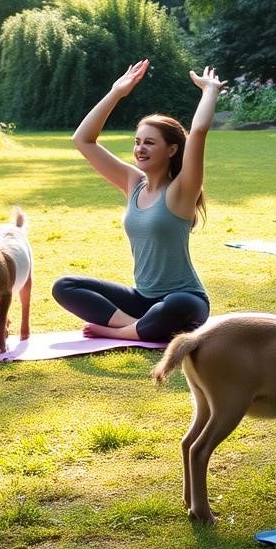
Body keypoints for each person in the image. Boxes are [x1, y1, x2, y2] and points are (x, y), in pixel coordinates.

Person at [51, 60, 220, 341]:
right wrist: (116, 92)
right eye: (137, 141)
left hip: (185, 299)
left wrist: (210, 90)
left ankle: (121, 331)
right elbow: (84, 140)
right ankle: (134, 326)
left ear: (172, 150)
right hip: (142, 301)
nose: (140, 149)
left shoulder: (182, 190)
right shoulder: (133, 183)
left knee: (176, 306)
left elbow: (199, 132)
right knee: (65, 286)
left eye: (150, 143)